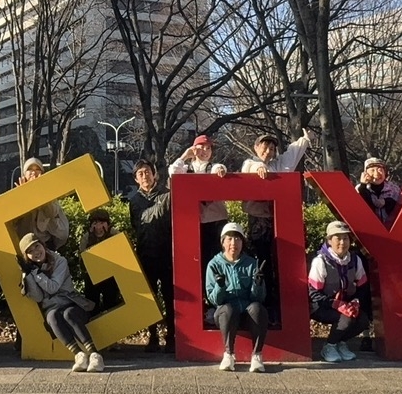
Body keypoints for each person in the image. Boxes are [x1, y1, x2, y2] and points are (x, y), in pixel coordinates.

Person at [240, 129, 311, 322]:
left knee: (283, 262)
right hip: (259, 220)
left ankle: (283, 308)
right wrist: (259, 168)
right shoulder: (250, 163)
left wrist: (305, 139)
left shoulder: (278, 164)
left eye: (272, 148)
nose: (268, 151)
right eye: (265, 147)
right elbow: (250, 167)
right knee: (262, 262)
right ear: (256, 148)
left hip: (280, 220)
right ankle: (264, 304)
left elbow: (292, 154)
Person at [18, 231, 105, 372]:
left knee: (68, 314)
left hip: (71, 303)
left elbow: (53, 287)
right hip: (52, 308)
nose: (36, 252)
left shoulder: (59, 261)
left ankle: (95, 355)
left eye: (37, 246)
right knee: (51, 317)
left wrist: (36, 274)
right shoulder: (31, 270)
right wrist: (28, 275)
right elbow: (38, 297)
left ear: (43, 245)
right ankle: (79, 355)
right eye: (30, 251)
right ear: (26, 256)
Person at [205, 222, 268, 373]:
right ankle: (229, 354)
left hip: (247, 312)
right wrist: (220, 286)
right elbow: (214, 300)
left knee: (258, 308)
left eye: (238, 239)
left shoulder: (251, 263)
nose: (234, 243)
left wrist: (258, 284)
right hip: (226, 314)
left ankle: (257, 355)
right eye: (229, 239)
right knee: (227, 310)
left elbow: (259, 298)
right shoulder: (214, 265)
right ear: (223, 242)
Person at [168, 134, 229, 289]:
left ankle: (218, 292)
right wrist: (185, 156)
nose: (205, 151)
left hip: (216, 221)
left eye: (208, 148)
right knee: (198, 260)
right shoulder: (186, 169)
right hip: (195, 222)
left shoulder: (213, 167)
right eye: (201, 148)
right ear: (194, 149)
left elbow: (219, 169)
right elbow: (173, 173)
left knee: (218, 258)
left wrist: (220, 169)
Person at [127, 159, 175, 353]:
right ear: (136, 179)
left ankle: (172, 336)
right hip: (145, 253)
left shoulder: (168, 195)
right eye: (140, 173)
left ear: (154, 174)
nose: (144, 176)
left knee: (170, 297)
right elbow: (135, 225)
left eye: (147, 172)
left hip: (167, 253)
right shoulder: (134, 201)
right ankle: (152, 336)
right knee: (150, 298)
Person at [308, 220, 371, 363]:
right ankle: (329, 346)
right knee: (346, 319)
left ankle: (340, 343)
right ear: (329, 241)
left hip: (346, 303)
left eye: (345, 238)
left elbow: (362, 286)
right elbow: (314, 294)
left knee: (362, 319)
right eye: (338, 238)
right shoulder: (320, 261)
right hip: (321, 306)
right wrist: (336, 304)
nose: (342, 242)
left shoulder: (355, 260)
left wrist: (356, 302)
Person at [12, 157, 69, 251]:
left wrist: (40, 193)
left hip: (45, 242)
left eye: (37, 169)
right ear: (24, 174)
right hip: (26, 243)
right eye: (30, 169)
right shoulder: (17, 194)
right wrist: (23, 195)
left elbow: (52, 213)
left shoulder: (48, 192)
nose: (33, 173)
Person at [79, 208, 122, 316]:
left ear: (108, 224)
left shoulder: (115, 234)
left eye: (102, 223)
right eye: (95, 223)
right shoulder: (86, 238)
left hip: (111, 276)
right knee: (91, 302)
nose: (98, 227)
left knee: (111, 301)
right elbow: (82, 262)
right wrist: (92, 240)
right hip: (93, 277)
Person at [356, 156, 402, 226]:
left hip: (392, 227)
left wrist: (388, 202)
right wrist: (363, 186)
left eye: (380, 170)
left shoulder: (394, 189)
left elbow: (401, 209)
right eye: (372, 170)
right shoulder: (359, 189)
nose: (376, 174)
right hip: (369, 227)